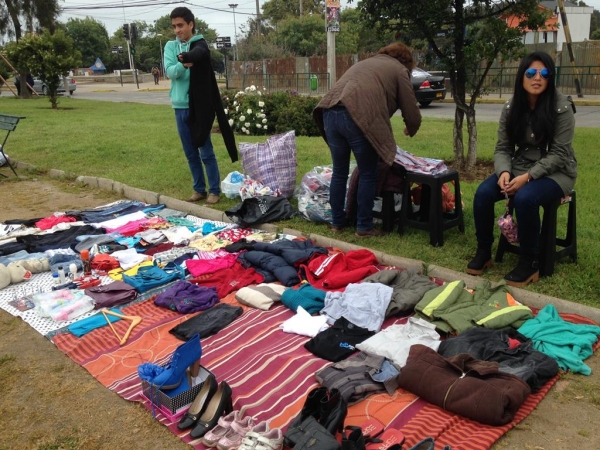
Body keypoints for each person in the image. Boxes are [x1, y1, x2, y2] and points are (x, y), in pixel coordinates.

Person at [466, 51, 577, 287]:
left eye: (544, 73)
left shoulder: (562, 107)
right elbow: (503, 148)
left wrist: (528, 177)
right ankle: (484, 251)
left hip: (558, 172)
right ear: (522, 76)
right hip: (520, 166)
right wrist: (505, 171)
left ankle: (530, 262)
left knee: (526, 197)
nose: (537, 78)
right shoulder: (511, 107)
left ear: (550, 78)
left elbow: (560, 153)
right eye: (531, 72)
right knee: (483, 194)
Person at [313, 42, 422, 237]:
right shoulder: (399, 69)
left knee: (339, 172)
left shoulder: (367, 62)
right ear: (406, 61)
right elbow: (411, 106)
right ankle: (363, 226)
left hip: (329, 112)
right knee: (368, 173)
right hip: (356, 116)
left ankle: (337, 223)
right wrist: (411, 126)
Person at [164, 7, 237, 204]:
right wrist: (182, 65)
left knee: (206, 150)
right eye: (174, 26)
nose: (177, 30)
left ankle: (213, 190)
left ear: (190, 24)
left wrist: (188, 59)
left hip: (200, 107)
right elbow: (170, 72)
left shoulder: (200, 44)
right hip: (180, 106)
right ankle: (199, 189)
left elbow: (199, 53)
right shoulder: (170, 47)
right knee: (190, 151)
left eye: (180, 25)